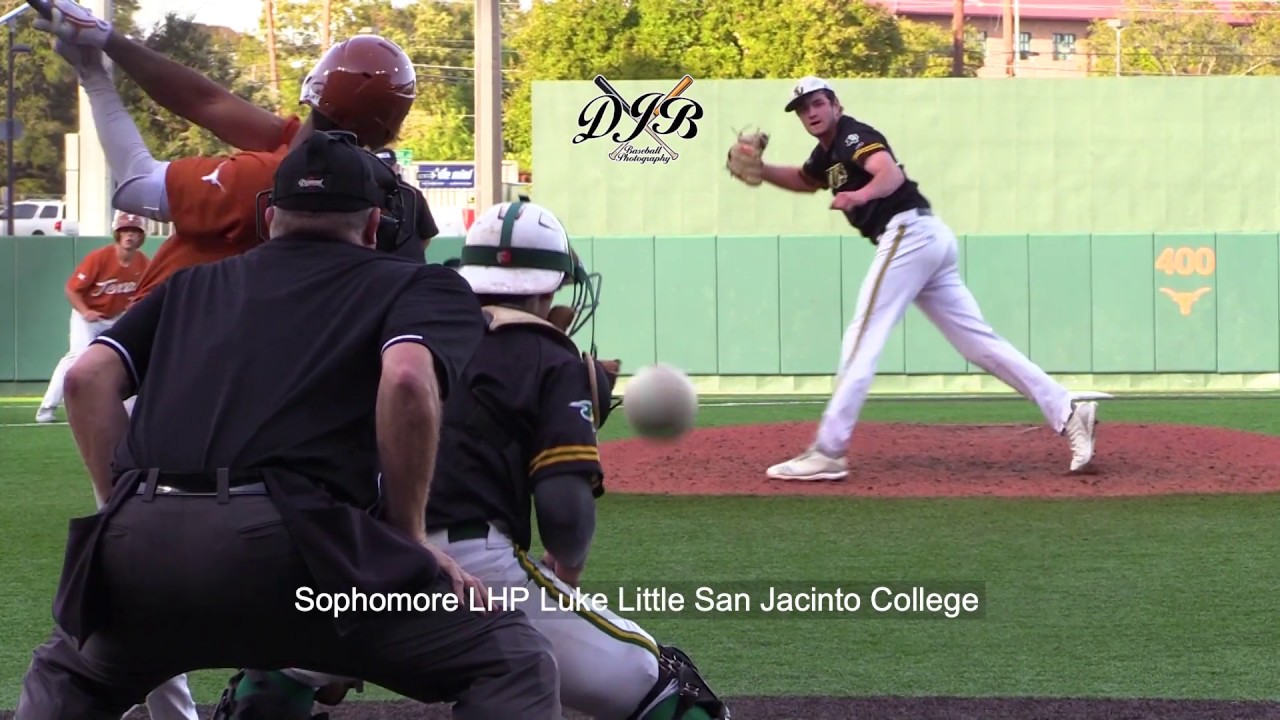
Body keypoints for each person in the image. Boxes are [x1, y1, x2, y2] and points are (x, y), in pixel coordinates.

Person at [14, 130, 561, 720]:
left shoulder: (191, 284)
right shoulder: (416, 283)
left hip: (140, 543)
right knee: (512, 659)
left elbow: (85, 379)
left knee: (68, 675)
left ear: (270, 216)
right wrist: (407, 538)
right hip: (297, 557)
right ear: (376, 224)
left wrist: (122, 506)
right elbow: (405, 379)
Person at [734, 76, 1098, 481]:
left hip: (907, 234)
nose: (811, 113)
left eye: (817, 103)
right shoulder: (826, 155)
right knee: (979, 345)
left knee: (862, 336)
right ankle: (1068, 411)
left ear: (835, 104)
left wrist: (860, 195)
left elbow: (888, 175)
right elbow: (805, 180)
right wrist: (762, 170)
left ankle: (829, 451)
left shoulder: (853, 135)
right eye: (803, 109)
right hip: (928, 239)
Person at [34, 0, 420, 300]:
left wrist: (92, 75)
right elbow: (207, 102)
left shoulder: (275, 177)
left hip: (173, 343)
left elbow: (137, 184)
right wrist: (105, 37)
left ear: (316, 83)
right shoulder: (353, 181)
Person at [36, 211, 149, 425]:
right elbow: (71, 289)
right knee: (77, 357)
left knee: (127, 359)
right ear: (117, 234)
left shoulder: (143, 264)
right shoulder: (99, 258)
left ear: (141, 237)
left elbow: (144, 295)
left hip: (115, 317)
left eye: (135, 232)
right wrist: (86, 311)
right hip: (87, 316)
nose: (130, 236)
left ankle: (126, 408)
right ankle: (46, 408)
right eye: (125, 231)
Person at [373, 145, 442, 260]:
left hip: (405, 264)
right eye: (381, 166)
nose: (386, 170)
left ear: (396, 167)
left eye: (389, 166)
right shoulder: (413, 193)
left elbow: (427, 234)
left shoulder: (413, 194)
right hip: (393, 264)